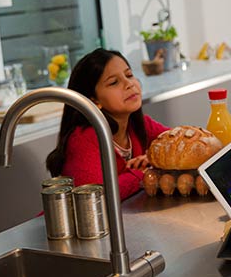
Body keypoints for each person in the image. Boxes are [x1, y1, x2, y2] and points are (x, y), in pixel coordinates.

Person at [46, 48, 170, 199]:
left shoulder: (139, 124)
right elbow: (98, 196)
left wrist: (154, 157)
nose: (129, 84)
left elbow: (181, 144)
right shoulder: (83, 139)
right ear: (94, 100)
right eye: (114, 82)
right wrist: (144, 173)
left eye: (129, 75)